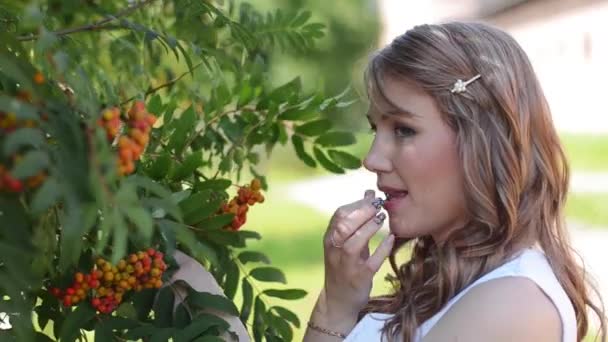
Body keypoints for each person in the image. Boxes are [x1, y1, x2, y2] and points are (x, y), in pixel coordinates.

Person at [303, 21, 607, 342]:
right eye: (375, 130)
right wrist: (337, 305)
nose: (372, 159)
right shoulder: (452, 281)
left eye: (404, 130)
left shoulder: (511, 305)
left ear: (482, 141)